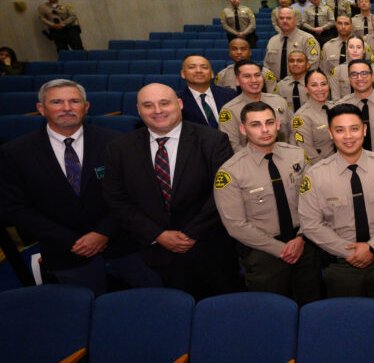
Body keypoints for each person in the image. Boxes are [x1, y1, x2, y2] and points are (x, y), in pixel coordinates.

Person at [0, 80, 161, 295]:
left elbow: (134, 193)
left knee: (153, 297)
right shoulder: (15, 152)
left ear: (86, 107)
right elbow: (16, 208)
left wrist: (103, 233)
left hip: (123, 240)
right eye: (57, 102)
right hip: (64, 249)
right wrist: (71, 241)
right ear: (41, 108)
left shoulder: (116, 143)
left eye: (74, 101)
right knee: (82, 307)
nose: (67, 108)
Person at [103, 84, 237, 298]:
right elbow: (116, 198)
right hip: (151, 252)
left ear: (180, 104)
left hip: (208, 249)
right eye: (148, 105)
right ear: (138, 110)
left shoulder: (213, 140)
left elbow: (223, 192)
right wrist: (157, 234)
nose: (157, 111)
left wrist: (191, 234)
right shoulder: (119, 148)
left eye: (164, 103)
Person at [298, 103, 374, 304]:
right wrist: (350, 252)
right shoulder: (315, 175)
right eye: (340, 130)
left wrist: (373, 247)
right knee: (346, 321)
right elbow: (310, 224)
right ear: (330, 134)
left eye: (354, 128)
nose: (348, 136)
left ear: (364, 130)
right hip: (341, 266)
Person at [213, 101, 320, 304]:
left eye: (269, 122)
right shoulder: (231, 172)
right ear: (243, 129)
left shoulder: (297, 155)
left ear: (278, 124)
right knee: (271, 311)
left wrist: (301, 238)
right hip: (263, 254)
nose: (264, 130)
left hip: (304, 244)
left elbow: (314, 202)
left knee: (311, 305)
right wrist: (280, 249)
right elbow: (236, 225)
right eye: (255, 125)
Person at [218, 60, 289, 152]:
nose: (254, 80)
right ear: (237, 81)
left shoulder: (279, 101)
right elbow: (233, 146)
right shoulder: (229, 111)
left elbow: (292, 132)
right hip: (249, 159)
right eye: (247, 76)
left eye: (257, 75)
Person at [291, 70, 337, 163]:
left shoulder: (336, 108)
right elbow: (308, 154)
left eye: (323, 84)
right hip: (321, 166)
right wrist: (327, 169)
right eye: (314, 85)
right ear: (306, 89)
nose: (320, 89)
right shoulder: (301, 117)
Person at [264, 6, 320, 80]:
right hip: (276, 84)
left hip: (300, 83)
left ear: (295, 20)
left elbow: (313, 64)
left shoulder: (307, 40)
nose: (284, 21)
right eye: (281, 18)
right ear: (277, 21)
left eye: (288, 18)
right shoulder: (272, 41)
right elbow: (267, 66)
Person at [178, 54, 234, 128]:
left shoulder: (230, 95)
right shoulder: (176, 100)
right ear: (183, 74)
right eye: (192, 67)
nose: (199, 71)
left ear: (212, 74)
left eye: (204, 67)